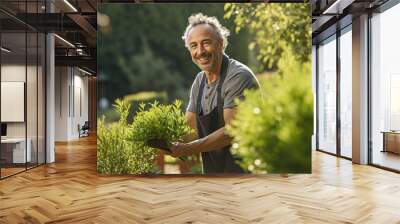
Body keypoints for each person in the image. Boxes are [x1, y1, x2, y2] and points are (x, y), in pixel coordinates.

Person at [167, 13, 260, 173]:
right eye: (194, 46)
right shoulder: (200, 81)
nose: (200, 51)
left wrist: (188, 149)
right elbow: (190, 128)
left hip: (245, 172)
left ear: (221, 44)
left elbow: (232, 130)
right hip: (214, 173)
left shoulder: (238, 76)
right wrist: (167, 142)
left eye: (206, 43)